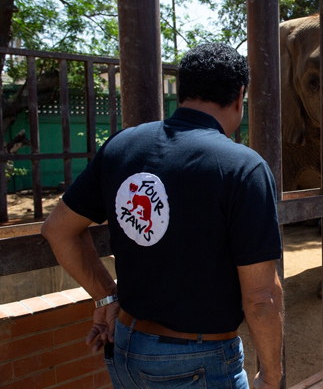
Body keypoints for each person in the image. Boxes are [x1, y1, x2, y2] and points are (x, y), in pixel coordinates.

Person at [41, 43, 284, 389]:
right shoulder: (243, 168)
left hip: (125, 348)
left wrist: (107, 296)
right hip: (201, 362)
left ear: (182, 92)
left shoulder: (121, 146)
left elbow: (57, 229)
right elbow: (261, 298)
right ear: (239, 96)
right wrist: (272, 378)